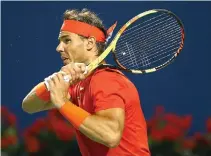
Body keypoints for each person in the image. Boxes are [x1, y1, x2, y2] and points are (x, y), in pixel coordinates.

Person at [22, 8, 150, 156]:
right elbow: (29, 105)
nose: (59, 48)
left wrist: (63, 104)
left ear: (90, 43)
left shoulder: (106, 80)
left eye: (67, 40)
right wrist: (60, 77)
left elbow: (111, 135)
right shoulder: (78, 81)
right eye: (60, 42)